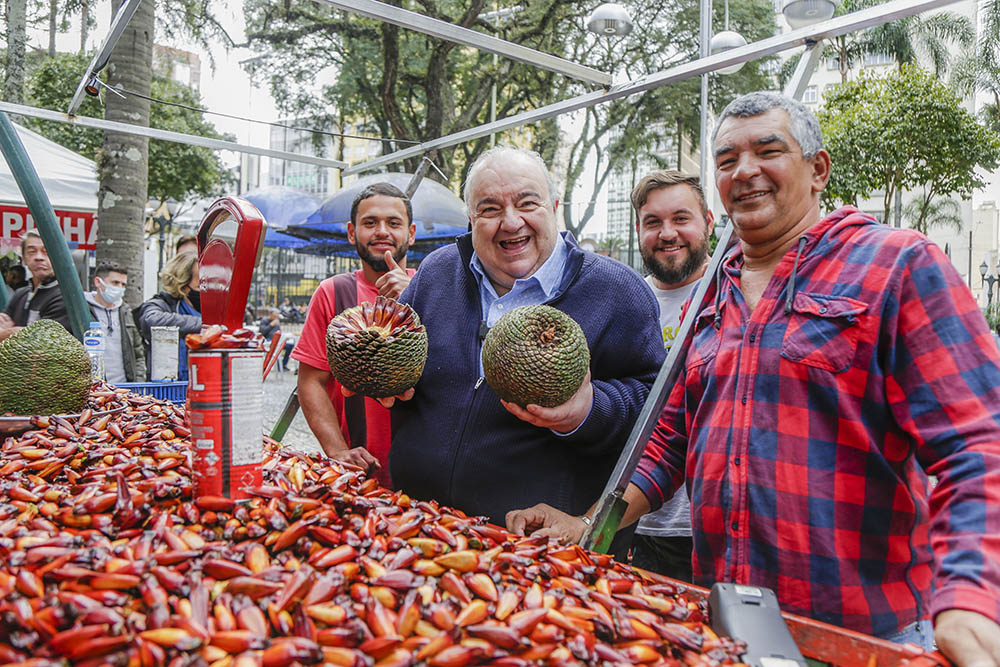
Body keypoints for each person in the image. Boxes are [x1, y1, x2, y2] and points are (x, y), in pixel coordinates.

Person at [506, 92, 1000, 663]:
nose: (745, 171)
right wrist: (591, 524)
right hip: (729, 622)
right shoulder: (712, 293)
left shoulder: (896, 264)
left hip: (867, 636)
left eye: (768, 150)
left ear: (818, 170)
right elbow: (670, 439)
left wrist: (970, 598)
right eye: (726, 160)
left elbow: (976, 442)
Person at [384, 146, 664, 550]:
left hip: (536, 547)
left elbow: (656, 411)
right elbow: (406, 364)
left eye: (527, 203)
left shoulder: (617, 291)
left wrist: (586, 411)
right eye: (490, 208)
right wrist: (389, 381)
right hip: (419, 526)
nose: (511, 222)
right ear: (471, 218)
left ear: (553, 206)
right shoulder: (436, 273)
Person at [291, 182, 418, 487]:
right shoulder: (333, 293)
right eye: (370, 223)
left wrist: (413, 295)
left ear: (411, 234)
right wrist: (337, 451)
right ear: (352, 232)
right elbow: (311, 380)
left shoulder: (435, 287)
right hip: (358, 472)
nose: (382, 231)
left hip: (426, 471)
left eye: (394, 223)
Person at [628, 170, 714, 582]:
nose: (667, 233)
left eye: (681, 219)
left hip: (708, 526)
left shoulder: (732, 295)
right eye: (652, 222)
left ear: (709, 223)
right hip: (635, 522)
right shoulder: (624, 302)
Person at [137, 251, 201, 382]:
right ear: (183, 285)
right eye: (199, 286)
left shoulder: (209, 308)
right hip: (167, 385)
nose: (205, 290)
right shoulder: (163, 303)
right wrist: (204, 324)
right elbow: (151, 320)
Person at [0, 231, 72, 341]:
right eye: (32, 252)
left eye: (46, 252)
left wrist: (8, 332)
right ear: (23, 258)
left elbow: (42, 340)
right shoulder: (21, 293)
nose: (39, 257)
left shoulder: (66, 297)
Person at [84, 262, 146, 383]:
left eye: (123, 285)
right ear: (98, 282)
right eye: (115, 283)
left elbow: (138, 353)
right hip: (94, 388)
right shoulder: (83, 309)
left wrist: (138, 383)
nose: (119, 288)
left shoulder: (125, 311)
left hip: (125, 389)